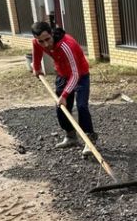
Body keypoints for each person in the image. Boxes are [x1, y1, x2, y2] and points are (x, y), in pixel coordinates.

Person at [31, 21, 97, 157]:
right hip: (62, 75)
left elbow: (76, 74)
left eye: (47, 39)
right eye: (41, 41)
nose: (45, 44)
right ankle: (71, 136)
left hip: (80, 75)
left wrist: (65, 94)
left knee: (81, 106)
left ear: (51, 33)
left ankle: (89, 139)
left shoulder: (67, 45)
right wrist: (36, 67)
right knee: (60, 107)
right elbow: (36, 51)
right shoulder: (37, 42)